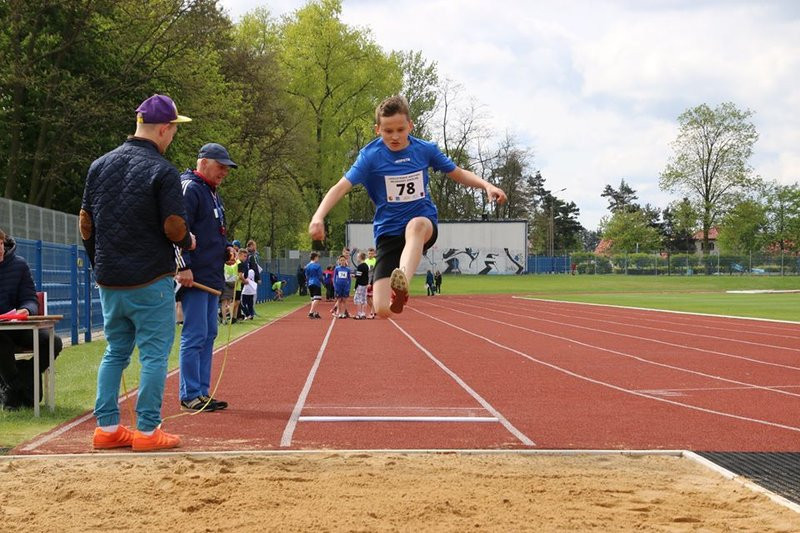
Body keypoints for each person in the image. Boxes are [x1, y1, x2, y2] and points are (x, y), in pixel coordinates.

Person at [309, 95, 506, 317]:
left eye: (400, 130)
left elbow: (458, 173)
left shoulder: (425, 150)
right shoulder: (370, 157)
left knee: (415, 225)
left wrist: (486, 185)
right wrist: (319, 216)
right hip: (388, 232)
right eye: (388, 131)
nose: (395, 136)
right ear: (377, 130)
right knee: (383, 310)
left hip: (422, 223)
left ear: (410, 126)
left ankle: (401, 279)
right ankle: (397, 293)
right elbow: (340, 187)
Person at [81, 94, 194, 451]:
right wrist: (189, 241)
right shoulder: (163, 171)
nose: (173, 135)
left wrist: (99, 262)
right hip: (150, 279)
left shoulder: (98, 166)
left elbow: (85, 224)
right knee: (154, 355)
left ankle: (107, 428)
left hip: (109, 279)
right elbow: (174, 226)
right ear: (163, 129)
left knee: (115, 351)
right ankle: (147, 431)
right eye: (173, 129)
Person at [176, 142, 238, 413]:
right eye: (221, 166)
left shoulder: (212, 192)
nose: (224, 172)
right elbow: (177, 229)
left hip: (212, 275)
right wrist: (183, 266)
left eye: (226, 168)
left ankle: (202, 391)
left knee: (209, 332)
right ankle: (190, 393)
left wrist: (225, 250)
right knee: (195, 333)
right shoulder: (190, 188)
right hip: (196, 276)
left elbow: (213, 231)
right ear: (204, 162)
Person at [0, 228, 64, 410]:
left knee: (53, 342)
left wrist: (26, 310)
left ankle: (14, 384)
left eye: (0, 244)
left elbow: (30, 298)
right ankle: (16, 388)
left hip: (19, 326)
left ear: (3, 244)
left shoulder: (19, 265)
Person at [220, 246, 237, 324]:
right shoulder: (234, 266)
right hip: (232, 285)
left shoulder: (223, 265)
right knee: (230, 303)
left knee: (224, 303)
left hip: (225, 285)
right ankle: (230, 318)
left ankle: (224, 319)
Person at [304, 252, 323, 319]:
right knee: (317, 299)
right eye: (317, 257)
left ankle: (315, 313)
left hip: (310, 283)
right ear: (315, 257)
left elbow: (306, 276)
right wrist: (322, 282)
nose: (318, 259)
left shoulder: (307, 266)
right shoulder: (317, 265)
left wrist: (307, 283)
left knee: (313, 299)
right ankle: (311, 312)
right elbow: (320, 275)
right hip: (316, 282)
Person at [352, 252, 370, 319]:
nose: (357, 258)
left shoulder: (360, 266)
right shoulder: (366, 266)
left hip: (360, 285)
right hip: (365, 284)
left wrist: (354, 276)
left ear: (360, 257)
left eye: (357, 257)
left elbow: (358, 276)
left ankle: (359, 314)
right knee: (364, 299)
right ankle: (363, 314)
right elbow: (365, 276)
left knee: (358, 299)